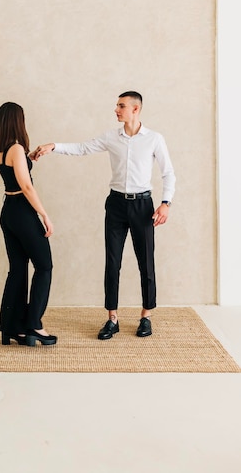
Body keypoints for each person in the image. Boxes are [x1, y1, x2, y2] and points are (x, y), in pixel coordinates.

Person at [30, 91, 175, 339]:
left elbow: (168, 173)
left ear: (135, 109)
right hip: (116, 204)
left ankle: (146, 316)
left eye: (121, 106)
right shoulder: (112, 137)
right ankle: (112, 319)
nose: (116, 110)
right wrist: (54, 146)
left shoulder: (154, 139)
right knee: (112, 262)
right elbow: (83, 148)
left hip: (143, 206)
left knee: (146, 262)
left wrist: (165, 203)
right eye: (117, 106)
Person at [0, 102, 57, 347]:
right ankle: (35, 325)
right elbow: (26, 185)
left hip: (7, 211)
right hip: (22, 211)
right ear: (18, 121)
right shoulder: (16, 148)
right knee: (44, 266)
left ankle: (11, 327)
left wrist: (27, 159)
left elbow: (12, 174)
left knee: (18, 270)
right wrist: (44, 214)